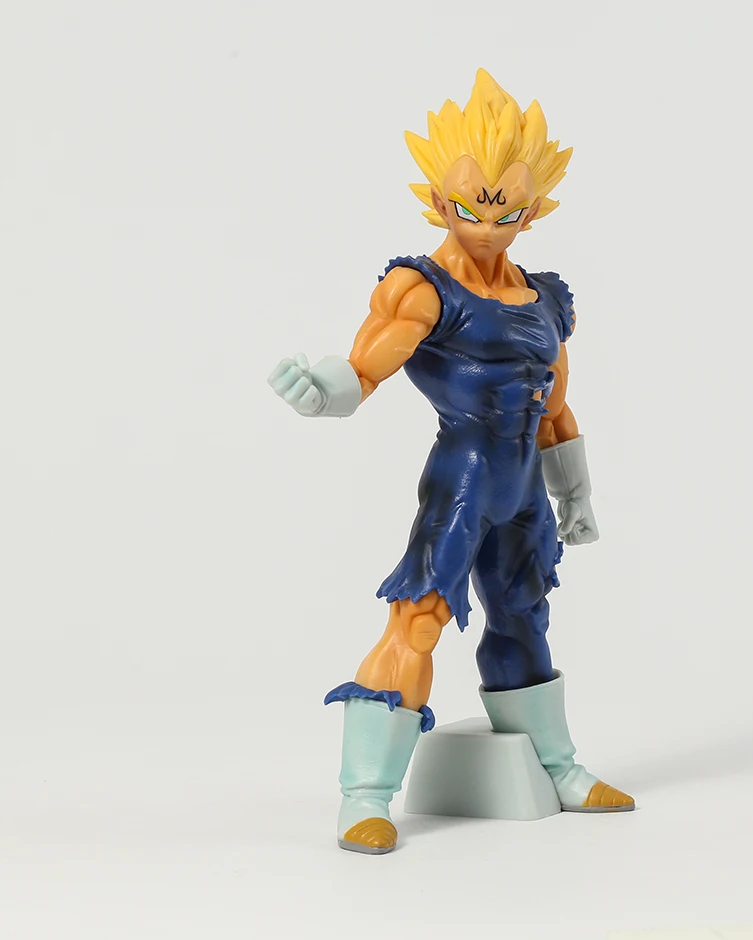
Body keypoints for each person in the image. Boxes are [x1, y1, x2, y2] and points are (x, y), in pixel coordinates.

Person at [268, 69, 634, 855]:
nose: (491, 225)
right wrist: (321, 393)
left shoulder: (545, 298)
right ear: (438, 200)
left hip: (524, 489)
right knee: (421, 618)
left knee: (524, 616)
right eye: (472, 207)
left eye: (509, 209)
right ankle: (365, 795)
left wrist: (576, 495)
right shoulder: (420, 288)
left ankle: (557, 766)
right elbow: (363, 369)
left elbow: (556, 407)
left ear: (535, 206)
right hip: (463, 479)